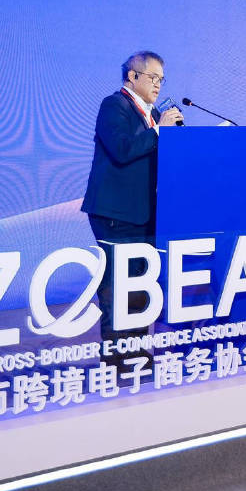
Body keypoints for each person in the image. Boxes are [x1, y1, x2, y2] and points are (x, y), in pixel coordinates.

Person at [81, 51, 183, 374]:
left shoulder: (153, 115)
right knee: (117, 287)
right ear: (132, 76)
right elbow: (122, 149)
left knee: (141, 287)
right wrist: (158, 132)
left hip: (145, 213)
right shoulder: (114, 106)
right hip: (115, 214)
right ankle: (114, 359)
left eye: (161, 79)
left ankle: (136, 352)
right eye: (153, 77)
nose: (158, 84)